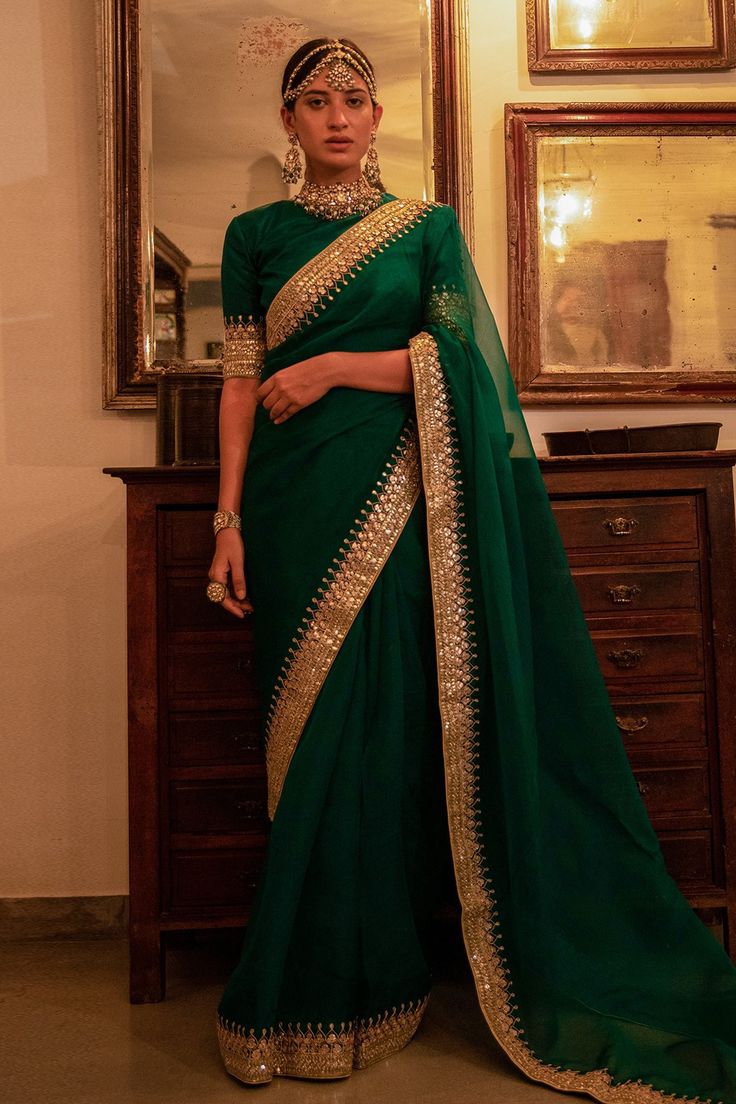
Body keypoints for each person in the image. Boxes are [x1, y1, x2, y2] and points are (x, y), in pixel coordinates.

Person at [207, 36, 736, 1102]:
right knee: (304, 743)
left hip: (400, 503)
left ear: (376, 115)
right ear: (289, 121)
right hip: (290, 505)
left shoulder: (425, 230)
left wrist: (328, 368)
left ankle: (375, 979)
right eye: (315, 102)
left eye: (355, 99)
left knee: (382, 729)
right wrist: (225, 518)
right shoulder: (253, 234)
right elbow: (235, 382)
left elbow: (456, 357)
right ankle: (307, 983)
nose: (339, 117)